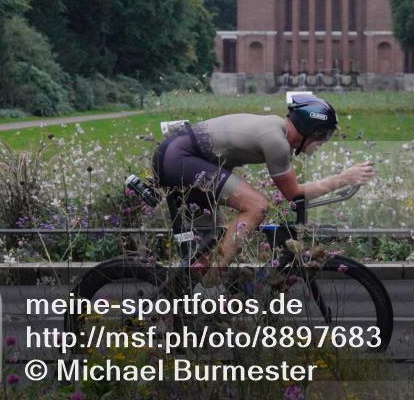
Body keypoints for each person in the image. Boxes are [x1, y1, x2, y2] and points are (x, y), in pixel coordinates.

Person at [151, 94, 373, 286]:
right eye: (323, 135)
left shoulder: (277, 129)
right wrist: (343, 178)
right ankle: (211, 284)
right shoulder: (277, 141)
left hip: (179, 156)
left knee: (206, 250)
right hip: (178, 158)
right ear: (310, 129)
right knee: (257, 206)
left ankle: (193, 300)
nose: (324, 142)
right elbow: (294, 194)